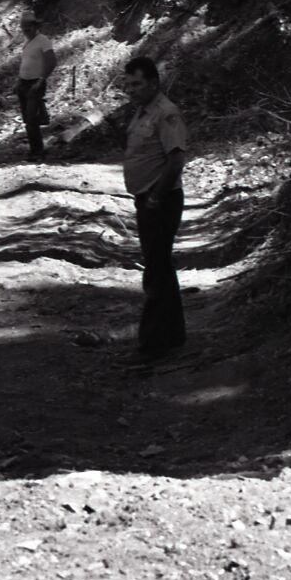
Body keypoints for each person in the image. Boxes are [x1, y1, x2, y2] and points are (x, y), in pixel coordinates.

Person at [119, 53, 188, 359]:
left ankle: (152, 343)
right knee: (160, 267)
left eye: (137, 84)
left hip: (160, 200)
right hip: (148, 199)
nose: (131, 90)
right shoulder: (142, 112)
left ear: (154, 83)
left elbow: (176, 159)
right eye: (128, 85)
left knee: (156, 272)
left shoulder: (165, 112)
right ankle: (173, 336)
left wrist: (157, 197)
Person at [14, 15, 60, 162]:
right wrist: (18, 81)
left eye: (28, 29)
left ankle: (38, 152)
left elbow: (52, 61)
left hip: (35, 83)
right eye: (24, 29)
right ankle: (35, 150)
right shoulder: (28, 43)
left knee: (32, 118)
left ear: (35, 27)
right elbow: (26, 63)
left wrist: (41, 80)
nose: (26, 32)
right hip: (24, 83)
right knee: (28, 119)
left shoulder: (43, 41)